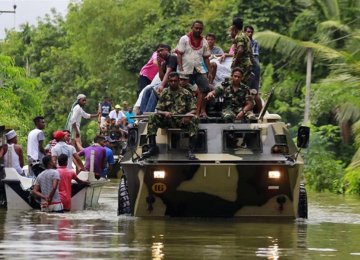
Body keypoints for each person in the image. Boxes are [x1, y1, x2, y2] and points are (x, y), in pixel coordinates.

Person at [142, 72, 199, 160]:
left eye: (175, 81)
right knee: (153, 117)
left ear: (178, 81)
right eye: (171, 81)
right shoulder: (165, 92)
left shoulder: (186, 93)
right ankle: (153, 147)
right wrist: (164, 113)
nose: (173, 83)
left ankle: (191, 151)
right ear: (168, 81)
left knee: (194, 119)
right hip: (168, 120)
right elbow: (158, 109)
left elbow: (194, 109)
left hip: (181, 120)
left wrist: (188, 115)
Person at [176, 20, 212, 118]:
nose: (198, 30)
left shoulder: (204, 41)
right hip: (186, 69)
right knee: (182, 89)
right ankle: (181, 112)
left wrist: (209, 71)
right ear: (192, 28)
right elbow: (179, 54)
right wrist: (180, 67)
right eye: (196, 28)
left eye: (200, 28)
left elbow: (206, 57)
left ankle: (201, 111)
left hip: (199, 69)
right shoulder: (184, 39)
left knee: (205, 88)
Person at [139, 44, 178, 114]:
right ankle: (143, 113)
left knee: (155, 90)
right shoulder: (164, 63)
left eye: (161, 50)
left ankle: (149, 113)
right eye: (158, 51)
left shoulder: (172, 57)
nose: (159, 52)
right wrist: (159, 65)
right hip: (167, 83)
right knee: (147, 90)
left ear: (167, 50)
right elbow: (161, 77)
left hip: (174, 82)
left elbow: (168, 72)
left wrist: (162, 85)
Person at [230, 17, 253, 85]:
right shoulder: (245, 36)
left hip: (242, 64)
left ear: (234, 26)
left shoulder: (239, 36)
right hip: (247, 63)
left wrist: (235, 61)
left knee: (238, 84)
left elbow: (240, 50)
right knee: (243, 85)